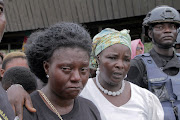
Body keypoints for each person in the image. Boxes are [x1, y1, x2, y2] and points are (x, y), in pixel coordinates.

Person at [23, 22, 101, 120]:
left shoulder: (90, 109)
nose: (76, 77)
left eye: (83, 69)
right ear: (47, 67)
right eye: (66, 69)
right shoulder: (27, 111)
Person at [80, 28, 164, 120]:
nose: (120, 65)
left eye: (126, 60)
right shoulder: (81, 93)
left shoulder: (146, 99)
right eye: (112, 58)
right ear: (98, 58)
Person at [126, 5, 180, 120]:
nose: (167, 30)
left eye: (172, 26)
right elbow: (129, 106)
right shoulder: (139, 65)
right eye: (160, 27)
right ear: (150, 33)